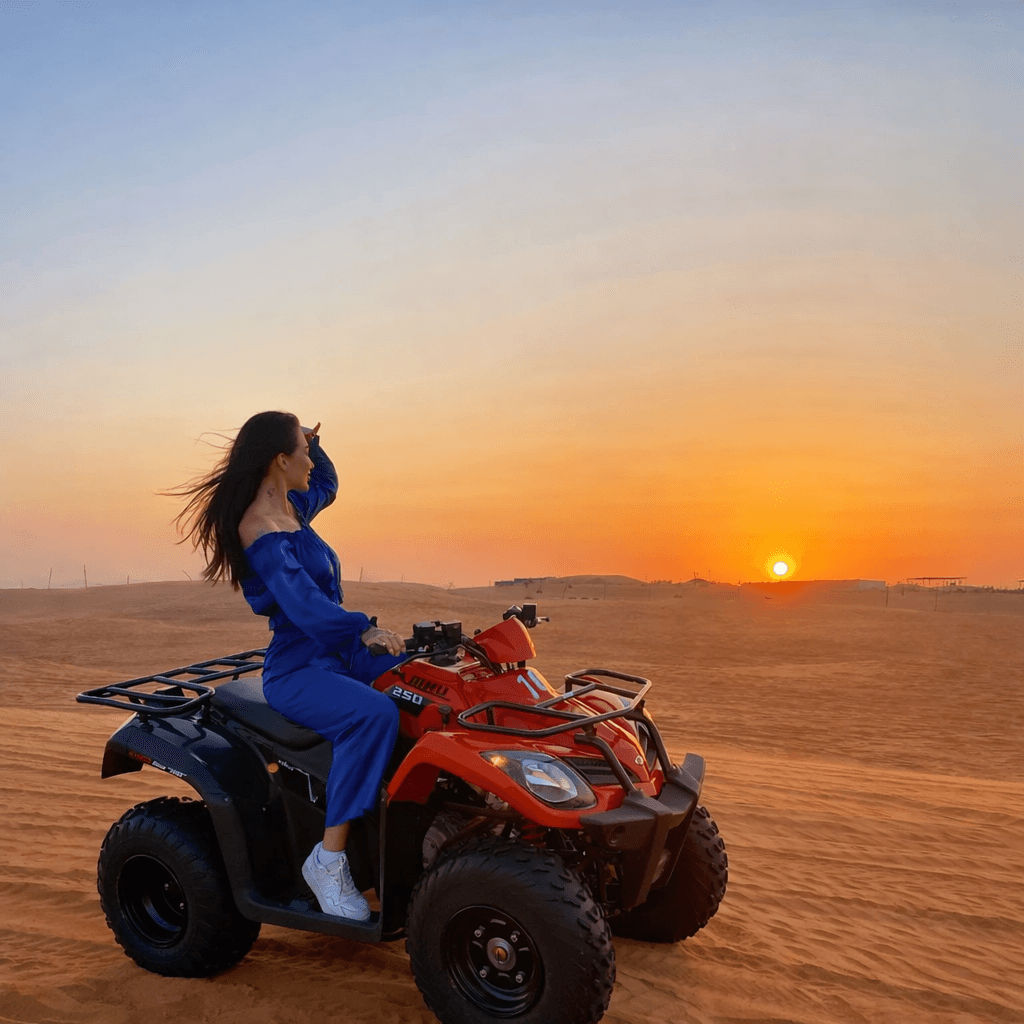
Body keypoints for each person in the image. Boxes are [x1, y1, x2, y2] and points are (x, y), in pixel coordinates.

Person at [166, 410, 404, 921]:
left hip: (340, 653)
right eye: (303, 450)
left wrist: (315, 441)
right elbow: (303, 606)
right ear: (280, 459)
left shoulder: (294, 506)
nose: (311, 461)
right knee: (375, 715)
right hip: (298, 668)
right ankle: (329, 860)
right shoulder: (261, 530)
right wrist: (362, 627)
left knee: (421, 687)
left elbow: (331, 482)